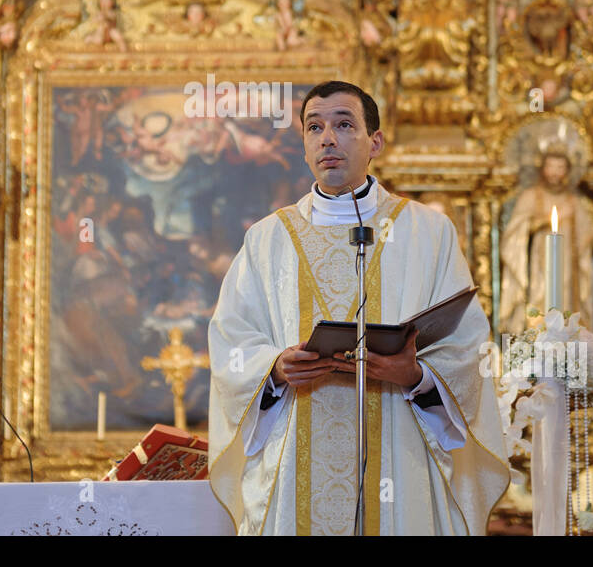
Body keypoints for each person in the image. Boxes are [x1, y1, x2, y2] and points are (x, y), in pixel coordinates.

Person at [208, 80, 510, 535]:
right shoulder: (267, 239)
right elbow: (231, 344)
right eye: (314, 128)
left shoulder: (427, 232)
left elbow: (468, 349)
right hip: (295, 462)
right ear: (305, 145)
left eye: (344, 124)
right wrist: (274, 370)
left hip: (401, 455)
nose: (327, 138)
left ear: (375, 142)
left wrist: (414, 375)